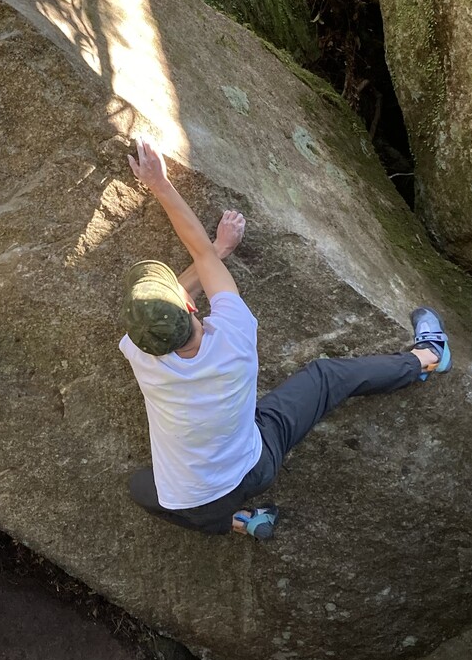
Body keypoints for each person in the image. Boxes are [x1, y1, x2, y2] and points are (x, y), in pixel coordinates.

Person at [119, 137, 451, 539]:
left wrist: (213, 254)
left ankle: (241, 522)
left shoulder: (140, 354)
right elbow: (200, 256)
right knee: (326, 377)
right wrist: (164, 189)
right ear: (191, 307)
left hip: (198, 500)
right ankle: (427, 356)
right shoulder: (234, 335)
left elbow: (183, 290)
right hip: (255, 465)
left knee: (142, 488)